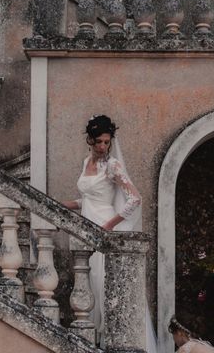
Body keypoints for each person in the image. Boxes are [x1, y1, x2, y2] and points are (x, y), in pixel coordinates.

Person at [62, 115, 156, 349]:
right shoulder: (86, 163)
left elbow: (135, 199)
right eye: (99, 142)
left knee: (108, 287)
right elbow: (87, 199)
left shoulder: (112, 165)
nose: (103, 147)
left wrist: (108, 226)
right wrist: (64, 205)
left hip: (103, 227)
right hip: (87, 227)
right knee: (91, 283)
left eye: (107, 142)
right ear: (89, 140)